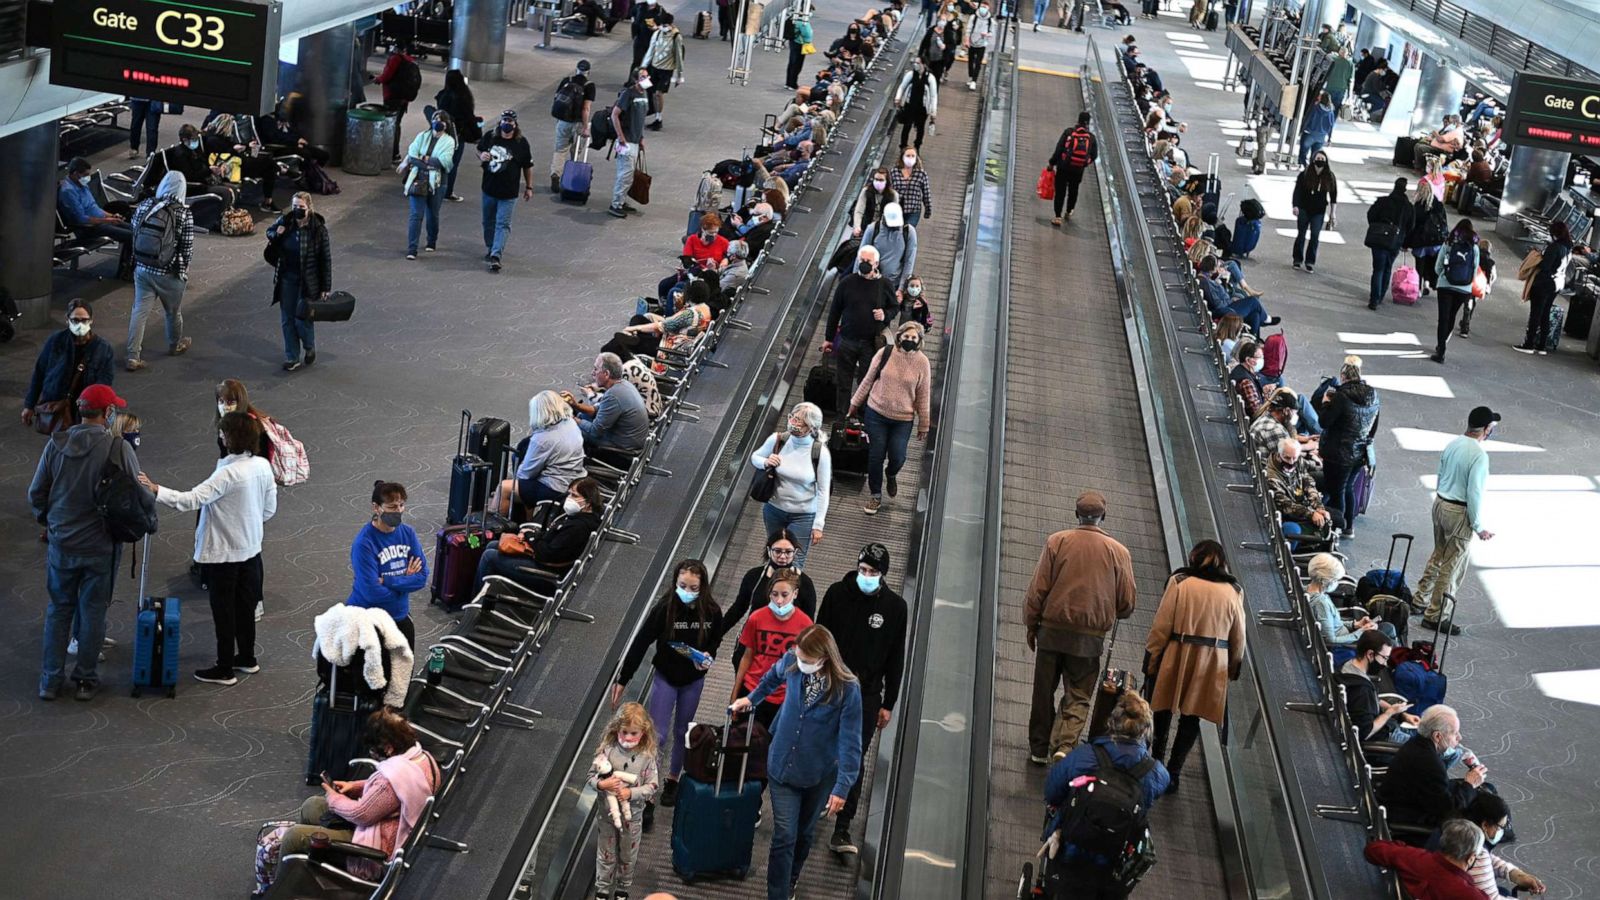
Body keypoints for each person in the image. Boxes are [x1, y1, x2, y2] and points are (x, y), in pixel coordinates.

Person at [139, 411, 276, 685]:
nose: (220, 436)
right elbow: (269, 510)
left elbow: (191, 500)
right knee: (245, 609)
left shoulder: (227, 474)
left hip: (223, 555)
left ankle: (224, 668)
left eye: (223, 433)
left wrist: (156, 489)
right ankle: (247, 658)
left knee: (223, 611)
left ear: (231, 438)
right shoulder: (262, 465)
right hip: (251, 551)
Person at [30, 384, 148, 701]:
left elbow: (36, 493)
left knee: (58, 611)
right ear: (108, 413)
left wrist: (52, 522)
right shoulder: (117, 448)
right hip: (101, 546)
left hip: (62, 544)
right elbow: (139, 494)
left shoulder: (55, 445)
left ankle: (50, 681)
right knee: (94, 611)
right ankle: (85, 680)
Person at [729, 625, 863, 900]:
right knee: (785, 836)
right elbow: (770, 678)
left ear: (824, 657)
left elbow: (851, 741)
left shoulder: (848, 689)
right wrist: (751, 699)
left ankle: (791, 879)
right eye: (798, 655)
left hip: (819, 772)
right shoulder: (791, 661)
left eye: (807, 659)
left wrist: (842, 788)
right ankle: (777, 894)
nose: (800, 663)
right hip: (782, 765)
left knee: (804, 834)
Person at [1024, 490, 1137, 764]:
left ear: (1077, 515)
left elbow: (1038, 588)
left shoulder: (1057, 542)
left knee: (1043, 690)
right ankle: (1064, 744)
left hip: (1051, 631)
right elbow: (1127, 603)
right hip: (1089, 638)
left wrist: (1031, 623)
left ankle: (1039, 749)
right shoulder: (1119, 552)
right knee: (1078, 693)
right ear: (1103, 516)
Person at [814, 543, 907, 855]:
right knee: (821, 746)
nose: (866, 576)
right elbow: (817, 639)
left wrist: (889, 702)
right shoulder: (836, 595)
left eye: (873, 573)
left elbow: (896, 657)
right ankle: (814, 805)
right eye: (863, 570)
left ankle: (843, 828)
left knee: (853, 756)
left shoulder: (895, 608)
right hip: (829, 686)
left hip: (866, 694)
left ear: (882, 575)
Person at [612, 561, 719, 829]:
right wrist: (623, 679)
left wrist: (708, 657)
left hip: (693, 680)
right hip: (666, 677)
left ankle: (673, 779)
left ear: (702, 587)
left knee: (684, 730)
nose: (687, 591)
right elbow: (641, 641)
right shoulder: (665, 608)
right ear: (675, 583)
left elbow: (715, 641)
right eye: (682, 586)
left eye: (693, 588)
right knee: (656, 735)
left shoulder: (712, 611)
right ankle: (648, 795)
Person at [274, 710, 441, 882]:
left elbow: (361, 814)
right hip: (384, 824)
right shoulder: (422, 758)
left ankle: (276, 890)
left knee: (293, 837)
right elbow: (392, 791)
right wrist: (355, 787)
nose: (372, 755)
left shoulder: (393, 779)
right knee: (313, 805)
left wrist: (334, 799)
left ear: (388, 748)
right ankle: (307, 872)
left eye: (373, 750)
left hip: (376, 845)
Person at [1041, 691, 1170, 897]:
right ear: (1145, 732)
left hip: (1070, 847)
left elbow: (1052, 792)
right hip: (1114, 858)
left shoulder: (1084, 756)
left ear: (1112, 723)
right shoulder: (1158, 775)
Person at [1144, 540, 1246, 791]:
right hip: (1213, 661)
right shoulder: (1233, 591)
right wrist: (1233, 667)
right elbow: (1238, 636)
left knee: (1163, 708)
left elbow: (1161, 625)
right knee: (1192, 718)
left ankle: (1155, 761)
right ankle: (1174, 772)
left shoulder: (1180, 583)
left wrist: (1152, 659)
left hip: (1178, 652)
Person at [1415, 407, 1499, 635]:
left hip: (1441, 504)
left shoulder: (1453, 444)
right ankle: (1435, 615)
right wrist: (1479, 527)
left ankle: (1420, 599)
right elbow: (1475, 494)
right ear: (1486, 430)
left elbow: (1440, 474)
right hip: (1459, 513)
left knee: (1438, 555)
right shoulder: (1479, 456)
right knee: (1452, 566)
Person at [848, 321, 930, 515]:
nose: (909, 340)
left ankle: (891, 473)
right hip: (876, 413)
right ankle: (875, 495)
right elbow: (868, 379)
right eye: (906, 336)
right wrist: (854, 404)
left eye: (913, 338)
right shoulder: (885, 353)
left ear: (919, 341)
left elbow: (923, 394)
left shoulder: (922, 362)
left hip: (903, 419)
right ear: (899, 336)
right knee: (875, 456)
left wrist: (924, 424)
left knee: (898, 456)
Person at [473, 478, 605, 594]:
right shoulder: (583, 518)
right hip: (546, 559)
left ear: (587, 502)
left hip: (547, 574)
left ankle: (476, 606)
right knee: (493, 545)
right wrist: (531, 536)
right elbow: (551, 540)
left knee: (489, 557)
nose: (569, 498)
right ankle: (489, 592)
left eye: (574, 495)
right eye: (569, 493)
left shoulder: (577, 527)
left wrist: (530, 537)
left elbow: (547, 554)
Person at [339, 480, 428, 651]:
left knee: (403, 672)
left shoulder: (408, 533)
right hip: (368, 618)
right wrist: (405, 582)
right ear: (376, 508)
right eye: (392, 507)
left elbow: (422, 577)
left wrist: (388, 581)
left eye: (401, 505)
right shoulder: (364, 543)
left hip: (399, 614)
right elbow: (371, 592)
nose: (399, 511)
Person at [588, 702, 661, 899]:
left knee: (628, 855)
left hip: (633, 817)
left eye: (633, 733)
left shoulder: (646, 757)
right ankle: (602, 890)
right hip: (606, 816)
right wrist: (603, 785)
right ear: (616, 729)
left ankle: (623, 889)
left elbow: (652, 786)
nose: (628, 738)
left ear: (643, 733)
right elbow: (591, 777)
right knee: (606, 854)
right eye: (624, 732)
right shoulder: (607, 751)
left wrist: (631, 793)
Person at [125, 172, 195, 372]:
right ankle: (175, 345)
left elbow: (134, 230)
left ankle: (132, 355)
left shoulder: (146, 205)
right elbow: (186, 248)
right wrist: (183, 269)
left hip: (143, 268)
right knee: (172, 312)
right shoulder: (183, 212)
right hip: (169, 272)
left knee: (139, 311)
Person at [1376, 705, 1487, 832]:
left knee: (1482, 792)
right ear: (1437, 736)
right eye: (1455, 733)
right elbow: (1449, 812)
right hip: (1407, 817)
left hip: (1405, 801)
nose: (1459, 738)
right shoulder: (1430, 763)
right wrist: (1469, 785)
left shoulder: (1418, 743)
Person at [722, 530, 821, 670]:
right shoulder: (754, 576)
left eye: (788, 552)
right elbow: (738, 608)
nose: (783, 556)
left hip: (785, 650)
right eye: (778, 551)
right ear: (769, 550)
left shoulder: (804, 583)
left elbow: (808, 623)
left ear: (796, 552)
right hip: (752, 644)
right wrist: (715, 635)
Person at [749, 403, 832, 568]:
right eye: (793, 418)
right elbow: (755, 457)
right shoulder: (778, 439)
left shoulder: (820, 453)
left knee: (794, 562)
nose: (795, 423)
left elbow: (823, 491)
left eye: (801, 422)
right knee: (775, 555)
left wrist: (818, 525)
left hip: (804, 515)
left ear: (811, 427)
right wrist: (765, 461)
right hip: (774, 510)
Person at [731, 572, 816, 732]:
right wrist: (735, 693)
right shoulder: (757, 618)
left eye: (785, 595)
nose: (779, 601)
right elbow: (747, 657)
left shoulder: (805, 624)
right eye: (774, 594)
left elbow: (808, 667)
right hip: (752, 689)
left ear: (795, 594)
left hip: (784, 697)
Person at [22, 300, 115, 435]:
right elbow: (40, 372)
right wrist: (29, 405)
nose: (80, 324)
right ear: (68, 320)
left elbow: (105, 382)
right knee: (59, 445)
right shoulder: (56, 341)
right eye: (75, 320)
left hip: (85, 411)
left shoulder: (103, 349)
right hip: (58, 407)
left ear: (91, 321)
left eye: (84, 320)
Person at [825, 246, 899, 416]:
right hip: (847, 340)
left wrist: (885, 315)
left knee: (866, 380)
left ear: (876, 264)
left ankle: (861, 414)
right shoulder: (847, 282)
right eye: (862, 261)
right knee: (843, 380)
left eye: (868, 262)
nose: (864, 264)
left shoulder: (884, 284)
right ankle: (842, 413)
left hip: (870, 343)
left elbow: (894, 307)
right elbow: (835, 310)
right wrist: (829, 338)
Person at [266, 192, 332, 371]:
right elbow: (269, 232)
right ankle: (292, 356)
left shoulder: (318, 229)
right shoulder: (286, 221)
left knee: (301, 319)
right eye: (294, 207)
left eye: (301, 207)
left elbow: (325, 259)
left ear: (309, 208)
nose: (297, 210)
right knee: (287, 319)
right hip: (287, 278)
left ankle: (309, 346)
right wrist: (276, 234)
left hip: (308, 282)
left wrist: (326, 286)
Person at [1437, 794, 1548, 897]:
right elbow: (1491, 898)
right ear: (1485, 825)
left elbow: (1489, 860)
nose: (1502, 832)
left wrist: (1516, 874)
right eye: (1500, 827)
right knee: (1504, 893)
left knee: (1503, 891)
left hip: (1439, 889)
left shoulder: (1456, 830)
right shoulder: (1477, 853)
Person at [497, 391, 586, 517]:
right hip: (575, 476)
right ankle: (527, 520)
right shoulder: (570, 422)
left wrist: (516, 478)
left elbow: (526, 474)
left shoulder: (542, 439)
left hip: (557, 487)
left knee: (503, 488)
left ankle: (494, 527)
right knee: (525, 481)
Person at [1317, 356, 1379, 536]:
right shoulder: (1373, 395)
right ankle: (1348, 527)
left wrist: (1326, 404)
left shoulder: (1341, 397)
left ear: (1343, 376)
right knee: (1349, 488)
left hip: (1338, 453)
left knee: (1336, 491)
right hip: (1360, 452)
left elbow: (1324, 422)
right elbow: (1374, 427)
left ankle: (1337, 526)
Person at [1364, 820, 1488, 900]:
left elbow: (1372, 850)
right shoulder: (1471, 895)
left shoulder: (1414, 858)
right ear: (1471, 858)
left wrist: (1400, 847)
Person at [475, 109, 535, 273]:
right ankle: (491, 246)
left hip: (509, 193)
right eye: (505, 121)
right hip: (489, 189)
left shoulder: (521, 143)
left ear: (515, 125)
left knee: (503, 224)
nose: (507, 124)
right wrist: (481, 156)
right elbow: (479, 150)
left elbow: (527, 167)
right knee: (488, 222)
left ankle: (496, 255)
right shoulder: (490, 137)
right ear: (500, 122)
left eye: (510, 121)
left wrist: (529, 187)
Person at [565, 353, 650, 465]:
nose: (592, 373)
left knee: (570, 428)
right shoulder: (624, 385)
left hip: (623, 452)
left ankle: (575, 466)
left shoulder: (614, 395)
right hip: (631, 440)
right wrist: (576, 405)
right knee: (582, 416)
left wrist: (573, 420)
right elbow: (597, 410)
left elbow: (595, 431)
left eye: (596, 369)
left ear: (606, 374)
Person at [58, 156, 133, 276]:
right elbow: (81, 219)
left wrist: (112, 216)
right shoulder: (68, 192)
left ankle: (130, 266)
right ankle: (126, 271)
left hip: (101, 222)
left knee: (136, 230)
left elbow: (95, 208)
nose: (87, 177)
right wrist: (108, 221)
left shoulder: (82, 185)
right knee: (131, 235)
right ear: (76, 173)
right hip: (88, 228)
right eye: (85, 174)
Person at [1337, 630, 1417, 742]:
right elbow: (1365, 733)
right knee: (1442, 751)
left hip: (1388, 726)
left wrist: (1401, 714)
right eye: (1384, 658)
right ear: (1370, 654)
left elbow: (1374, 700)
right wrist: (1390, 712)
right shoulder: (1361, 690)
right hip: (1384, 739)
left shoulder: (1348, 666)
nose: (1385, 664)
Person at [398, 110, 456, 260]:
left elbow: (445, 162)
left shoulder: (449, 141)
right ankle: (412, 249)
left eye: (441, 120)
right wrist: (429, 162)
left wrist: (422, 159)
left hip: (438, 183)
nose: (438, 123)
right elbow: (412, 154)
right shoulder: (422, 136)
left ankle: (431, 240)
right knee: (416, 215)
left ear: (446, 124)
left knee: (433, 213)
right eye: (435, 119)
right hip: (418, 180)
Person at [1306, 554, 1395, 646]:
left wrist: (1355, 624)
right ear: (1325, 581)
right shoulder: (1321, 604)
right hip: (1347, 644)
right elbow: (1331, 640)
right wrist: (1362, 632)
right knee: (1389, 636)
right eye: (1335, 580)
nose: (1336, 583)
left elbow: (1332, 624)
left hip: (1346, 634)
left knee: (1388, 628)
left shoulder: (1308, 589)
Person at [1514, 220, 1573, 355]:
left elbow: (1545, 266)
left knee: (1536, 313)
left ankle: (1529, 344)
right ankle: (1541, 346)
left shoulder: (1554, 247)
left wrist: (1538, 259)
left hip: (1544, 283)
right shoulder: (1568, 248)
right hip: (1557, 284)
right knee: (1545, 313)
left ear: (1554, 233)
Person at [1267, 438, 1338, 545]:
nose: (1291, 462)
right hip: (1287, 514)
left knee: (1339, 518)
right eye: (1287, 458)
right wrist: (1311, 513)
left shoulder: (1298, 461)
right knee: (1336, 521)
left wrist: (1318, 507)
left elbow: (1308, 483)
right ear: (1279, 454)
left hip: (1301, 504)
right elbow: (1285, 505)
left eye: (1294, 458)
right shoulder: (1271, 478)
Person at [1429, 218, 1479, 363]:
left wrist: (1443, 276)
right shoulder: (1474, 247)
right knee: (1452, 316)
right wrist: (1467, 283)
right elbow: (1474, 270)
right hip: (1463, 289)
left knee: (1443, 318)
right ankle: (1443, 343)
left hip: (1445, 286)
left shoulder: (1449, 243)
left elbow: (1438, 266)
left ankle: (1441, 350)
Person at [1365, 177, 1414, 309]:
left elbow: (1371, 215)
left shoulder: (1382, 202)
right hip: (1395, 242)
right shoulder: (1408, 207)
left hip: (1379, 238)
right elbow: (1411, 226)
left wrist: (1377, 227)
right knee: (1387, 267)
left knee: (1378, 269)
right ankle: (1380, 295)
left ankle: (1374, 299)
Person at [608, 70, 651, 219]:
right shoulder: (628, 94)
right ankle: (616, 204)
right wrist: (621, 137)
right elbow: (615, 114)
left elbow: (641, 118)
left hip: (635, 141)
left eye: (647, 76)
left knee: (629, 175)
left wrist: (641, 138)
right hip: (626, 142)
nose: (646, 79)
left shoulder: (644, 95)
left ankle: (621, 200)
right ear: (635, 80)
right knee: (625, 175)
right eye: (642, 77)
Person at [550, 60, 597, 193]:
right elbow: (586, 109)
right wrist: (585, 127)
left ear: (576, 69)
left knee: (560, 150)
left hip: (563, 121)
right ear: (588, 72)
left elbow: (556, 98)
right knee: (576, 150)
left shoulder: (566, 80)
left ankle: (555, 175)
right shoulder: (589, 86)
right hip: (578, 123)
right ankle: (571, 176)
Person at [433, 69, 479, 202]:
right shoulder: (464, 98)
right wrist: (476, 135)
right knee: (452, 164)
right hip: (458, 135)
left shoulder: (443, 95)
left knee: (440, 160)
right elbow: (469, 118)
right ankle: (447, 191)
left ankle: (435, 187)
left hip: (441, 134)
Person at [1048, 111, 1099, 225]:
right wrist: (1084, 163)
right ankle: (1069, 211)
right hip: (1078, 169)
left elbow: (1059, 149)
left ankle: (1057, 217)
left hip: (1063, 167)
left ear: (1078, 120)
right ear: (1088, 123)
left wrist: (1052, 163)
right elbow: (1094, 155)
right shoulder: (1091, 138)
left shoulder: (1069, 132)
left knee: (1060, 191)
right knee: (1073, 189)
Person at [1291, 150, 1338, 273]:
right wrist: (1295, 205)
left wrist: (1333, 213)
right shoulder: (1305, 174)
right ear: (1313, 160)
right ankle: (1297, 259)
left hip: (1319, 212)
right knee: (1301, 234)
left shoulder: (1329, 177)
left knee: (1315, 236)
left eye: (1322, 160)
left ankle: (1310, 262)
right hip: (1303, 209)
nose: (1320, 161)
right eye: (1318, 159)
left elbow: (1333, 196)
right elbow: (1297, 191)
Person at [860, 202, 918, 297]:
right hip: (871, 281)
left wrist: (901, 289)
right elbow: (861, 256)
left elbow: (909, 261)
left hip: (893, 285)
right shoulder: (873, 229)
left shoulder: (908, 232)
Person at [375, 47, 421, 163]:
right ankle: (395, 154)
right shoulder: (410, 60)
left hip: (392, 96)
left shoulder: (395, 59)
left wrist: (378, 79)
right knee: (396, 124)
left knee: (391, 125)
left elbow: (387, 76)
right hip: (403, 99)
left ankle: (391, 154)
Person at [643, 12, 686, 131]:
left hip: (666, 70)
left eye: (665, 24)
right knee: (652, 93)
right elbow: (651, 50)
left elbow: (678, 55)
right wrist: (643, 66)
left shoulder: (676, 36)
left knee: (658, 93)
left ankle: (658, 119)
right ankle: (655, 114)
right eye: (662, 24)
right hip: (654, 67)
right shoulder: (657, 34)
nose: (663, 26)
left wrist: (680, 75)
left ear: (671, 24)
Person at [1406, 181, 1449, 298]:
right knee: (1431, 265)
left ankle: (1418, 289)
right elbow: (1444, 224)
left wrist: (1406, 243)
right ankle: (1428, 283)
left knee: (1419, 267)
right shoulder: (1439, 205)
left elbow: (1411, 226)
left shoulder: (1417, 207)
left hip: (1420, 243)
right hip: (1435, 243)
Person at [894, 58, 939, 151]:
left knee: (920, 128)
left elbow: (934, 96)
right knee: (906, 126)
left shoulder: (930, 78)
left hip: (922, 107)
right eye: (915, 63)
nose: (915, 65)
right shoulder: (910, 75)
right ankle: (903, 146)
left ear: (924, 64)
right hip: (909, 104)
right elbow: (902, 86)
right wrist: (898, 97)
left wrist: (933, 111)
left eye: (918, 63)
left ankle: (917, 146)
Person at [890, 146, 932, 227]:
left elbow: (926, 193)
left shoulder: (921, 174)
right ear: (902, 157)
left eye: (913, 156)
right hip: (896, 208)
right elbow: (889, 189)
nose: (910, 158)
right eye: (908, 156)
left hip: (913, 209)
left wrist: (928, 209)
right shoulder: (894, 171)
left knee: (908, 231)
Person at [851, 167, 898, 238]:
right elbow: (859, 211)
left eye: (881, 180)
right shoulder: (866, 191)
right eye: (876, 179)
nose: (878, 182)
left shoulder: (893, 195)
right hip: (865, 228)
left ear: (887, 181)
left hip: (882, 231)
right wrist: (857, 226)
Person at [1298, 91, 1336, 166]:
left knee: (1303, 152)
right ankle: (1311, 169)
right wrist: (1329, 138)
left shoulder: (1315, 108)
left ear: (1321, 98)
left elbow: (1308, 119)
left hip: (1309, 134)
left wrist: (1301, 130)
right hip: (1321, 137)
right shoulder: (1331, 112)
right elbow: (1331, 126)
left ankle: (1303, 166)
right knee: (1314, 155)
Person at [963, 0, 993, 90]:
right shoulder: (974, 17)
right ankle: (971, 76)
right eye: (982, 7)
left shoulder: (990, 20)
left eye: (985, 7)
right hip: (972, 41)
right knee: (971, 61)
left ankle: (974, 81)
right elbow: (968, 29)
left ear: (988, 9)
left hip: (982, 43)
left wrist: (987, 35)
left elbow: (992, 32)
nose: (983, 9)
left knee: (978, 62)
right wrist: (967, 41)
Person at [785, 11, 813, 91]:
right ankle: (793, 83)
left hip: (793, 41)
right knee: (797, 64)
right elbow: (807, 33)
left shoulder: (793, 19)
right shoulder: (803, 22)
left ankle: (788, 82)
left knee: (791, 63)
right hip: (800, 43)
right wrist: (808, 42)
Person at [1325, 46, 1355, 110]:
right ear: (1346, 54)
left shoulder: (1333, 58)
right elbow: (1351, 81)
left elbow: (1327, 55)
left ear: (1339, 52)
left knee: (1326, 106)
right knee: (1336, 108)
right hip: (1341, 90)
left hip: (1330, 87)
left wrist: (1333, 54)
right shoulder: (1351, 64)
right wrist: (1350, 96)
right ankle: (1332, 119)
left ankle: (1326, 119)